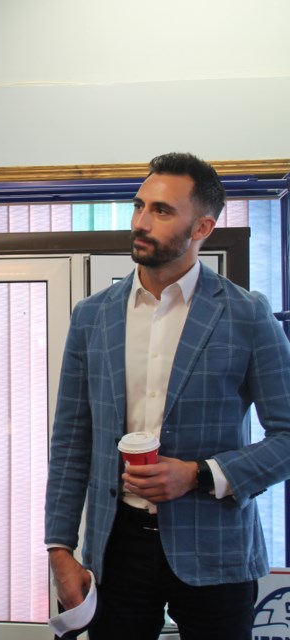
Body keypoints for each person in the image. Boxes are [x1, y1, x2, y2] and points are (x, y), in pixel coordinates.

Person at [44, 152, 290, 639]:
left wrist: (201, 475)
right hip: (116, 549)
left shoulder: (247, 315)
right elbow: (72, 441)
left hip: (217, 549)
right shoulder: (92, 316)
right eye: (139, 206)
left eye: (161, 211)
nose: (140, 222)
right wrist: (59, 551)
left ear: (202, 227)